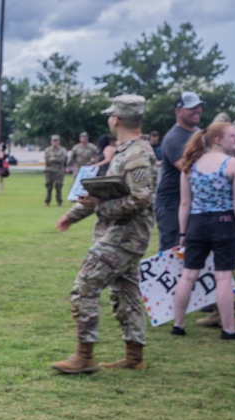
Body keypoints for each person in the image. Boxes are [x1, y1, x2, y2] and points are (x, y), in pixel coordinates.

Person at [52, 94, 158, 374]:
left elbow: (141, 198)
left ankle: (84, 356)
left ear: (117, 119)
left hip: (124, 236)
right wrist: (72, 216)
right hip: (123, 235)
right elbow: (104, 193)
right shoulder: (126, 151)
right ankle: (134, 356)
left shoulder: (136, 154)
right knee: (126, 293)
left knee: (85, 286)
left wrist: (104, 207)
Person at [170, 122, 235, 339]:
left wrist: (182, 234)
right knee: (224, 278)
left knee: (188, 275)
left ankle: (178, 325)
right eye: (232, 136)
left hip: (196, 225)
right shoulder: (234, 164)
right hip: (224, 223)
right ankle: (228, 329)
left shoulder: (190, 166)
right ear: (218, 139)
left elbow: (184, 204)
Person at [155, 91, 203, 252]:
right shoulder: (174, 138)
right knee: (173, 251)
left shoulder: (198, 133)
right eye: (192, 108)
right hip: (172, 204)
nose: (197, 111)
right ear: (178, 111)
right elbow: (190, 170)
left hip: (190, 201)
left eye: (198, 107)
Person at [43, 135, 68, 206]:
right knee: (48, 186)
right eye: (54, 141)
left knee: (59, 186)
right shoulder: (48, 150)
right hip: (49, 170)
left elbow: (63, 159)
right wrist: (56, 158)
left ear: (59, 142)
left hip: (59, 170)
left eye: (56, 141)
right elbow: (47, 159)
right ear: (51, 142)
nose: (55, 142)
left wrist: (54, 159)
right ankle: (47, 201)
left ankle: (59, 201)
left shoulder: (62, 150)